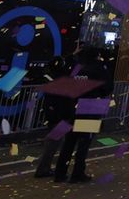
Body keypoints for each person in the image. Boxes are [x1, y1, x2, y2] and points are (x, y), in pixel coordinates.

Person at [53, 48, 109, 183]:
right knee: (84, 142)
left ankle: (60, 173)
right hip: (91, 106)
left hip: (74, 105)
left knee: (70, 141)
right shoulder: (99, 68)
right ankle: (77, 173)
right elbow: (107, 88)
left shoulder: (77, 68)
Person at [34, 51, 74, 178]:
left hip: (53, 113)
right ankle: (43, 169)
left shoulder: (50, 77)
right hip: (61, 114)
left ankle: (45, 168)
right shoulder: (62, 79)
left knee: (53, 142)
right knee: (53, 143)